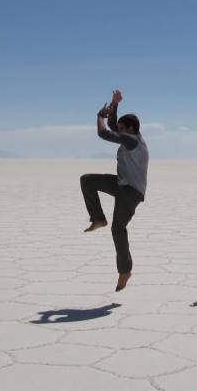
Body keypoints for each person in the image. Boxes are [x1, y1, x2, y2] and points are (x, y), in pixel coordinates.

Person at [80, 89, 149, 291]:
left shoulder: (133, 141)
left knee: (118, 229)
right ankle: (98, 218)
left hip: (132, 192)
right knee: (87, 181)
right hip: (121, 184)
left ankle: (125, 271)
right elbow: (112, 126)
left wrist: (100, 115)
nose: (117, 129)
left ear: (130, 129)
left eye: (121, 128)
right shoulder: (129, 135)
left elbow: (104, 132)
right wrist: (115, 104)